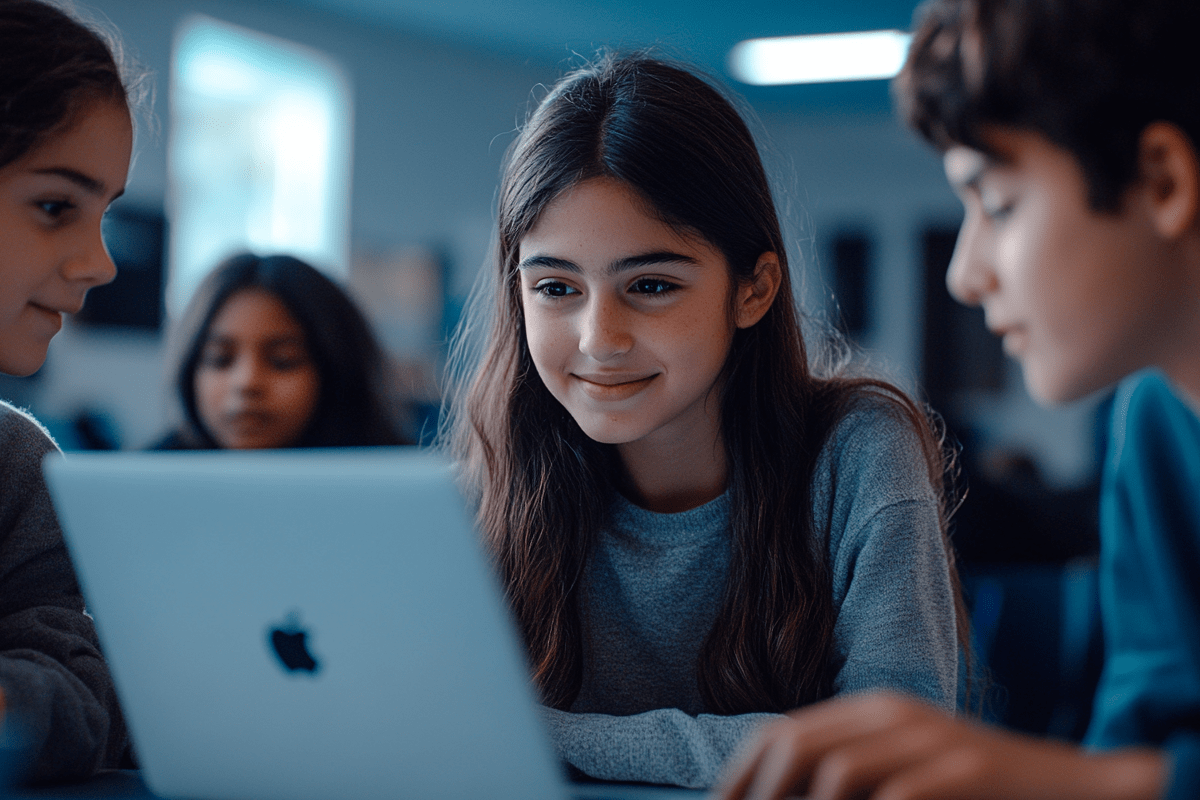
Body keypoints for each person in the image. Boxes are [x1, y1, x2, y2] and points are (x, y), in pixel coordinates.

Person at [442, 54, 970, 789]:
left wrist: (546, 734)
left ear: (753, 291)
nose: (599, 338)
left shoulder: (856, 451)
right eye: (556, 287)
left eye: (651, 285)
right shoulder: (496, 477)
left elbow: (894, 748)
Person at [715, 0, 1200, 799]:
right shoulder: (1157, 425)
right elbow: (1144, 743)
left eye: (999, 204)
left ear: (1161, 180)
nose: (963, 273)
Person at [0, 0, 142, 781]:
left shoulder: (18, 464)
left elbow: (80, 688)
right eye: (55, 207)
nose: (100, 262)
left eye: (103, 216)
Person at [152, 252, 411, 450]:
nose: (246, 382)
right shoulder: (147, 482)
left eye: (282, 361)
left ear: (337, 368)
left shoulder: (411, 487)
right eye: (220, 360)